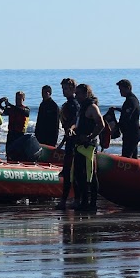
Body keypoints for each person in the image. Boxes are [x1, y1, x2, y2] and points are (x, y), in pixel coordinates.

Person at [71, 83, 105, 211]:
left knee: (90, 174)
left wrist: (90, 137)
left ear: (86, 93)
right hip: (79, 145)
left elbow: (101, 125)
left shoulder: (92, 107)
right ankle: (84, 201)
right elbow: (77, 123)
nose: (76, 96)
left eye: (78, 93)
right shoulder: (82, 107)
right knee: (79, 174)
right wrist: (71, 129)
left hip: (88, 147)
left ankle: (92, 203)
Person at [55, 78, 80, 211]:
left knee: (70, 171)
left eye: (66, 89)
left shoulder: (74, 105)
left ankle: (69, 200)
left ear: (73, 89)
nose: (64, 91)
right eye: (63, 88)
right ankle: (67, 200)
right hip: (69, 140)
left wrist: (69, 132)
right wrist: (62, 143)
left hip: (74, 142)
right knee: (68, 171)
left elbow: (74, 122)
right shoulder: (68, 104)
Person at [109, 79, 140, 159]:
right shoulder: (129, 100)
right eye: (119, 90)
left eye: (121, 89)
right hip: (130, 134)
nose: (120, 92)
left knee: (126, 157)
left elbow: (127, 116)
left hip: (132, 134)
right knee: (133, 158)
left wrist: (116, 126)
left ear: (128, 88)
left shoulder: (132, 100)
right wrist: (117, 109)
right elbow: (126, 111)